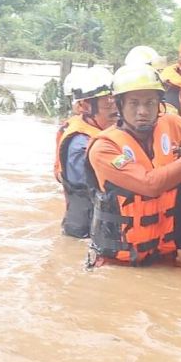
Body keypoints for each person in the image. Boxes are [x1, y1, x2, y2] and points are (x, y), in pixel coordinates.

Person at [85, 64, 181, 267]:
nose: (143, 111)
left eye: (150, 103)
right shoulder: (104, 148)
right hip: (119, 264)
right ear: (119, 105)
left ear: (159, 104)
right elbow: (150, 185)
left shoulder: (172, 124)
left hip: (164, 257)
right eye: (134, 103)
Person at [54, 67, 118, 238]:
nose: (114, 105)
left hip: (98, 226)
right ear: (85, 106)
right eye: (106, 101)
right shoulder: (80, 144)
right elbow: (104, 183)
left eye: (115, 98)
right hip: (85, 231)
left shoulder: (100, 131)